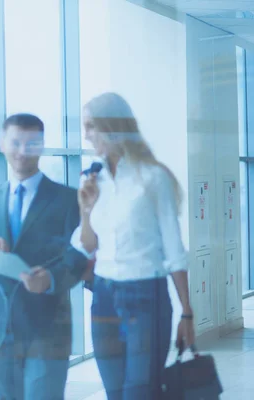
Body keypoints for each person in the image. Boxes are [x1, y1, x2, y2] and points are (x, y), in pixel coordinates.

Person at [0, 113, 88, 400]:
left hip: (47, 326)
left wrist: (51, 279)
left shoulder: (66, 200)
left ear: (41, 146)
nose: (22, 151)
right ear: (2, 144)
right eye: (16, 142)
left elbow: (79, 258)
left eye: (32, 143)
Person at [74, 92, 195, 399]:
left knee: (139, 393)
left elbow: (174, 252)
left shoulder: (153, 178)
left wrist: (187, 313)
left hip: (145, 296)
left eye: (90, 126)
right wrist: (85, 211)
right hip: (102, 296)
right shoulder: (94, 181)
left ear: (112, 125)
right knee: (115, 392)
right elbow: (89, 244)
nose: (86, 135)